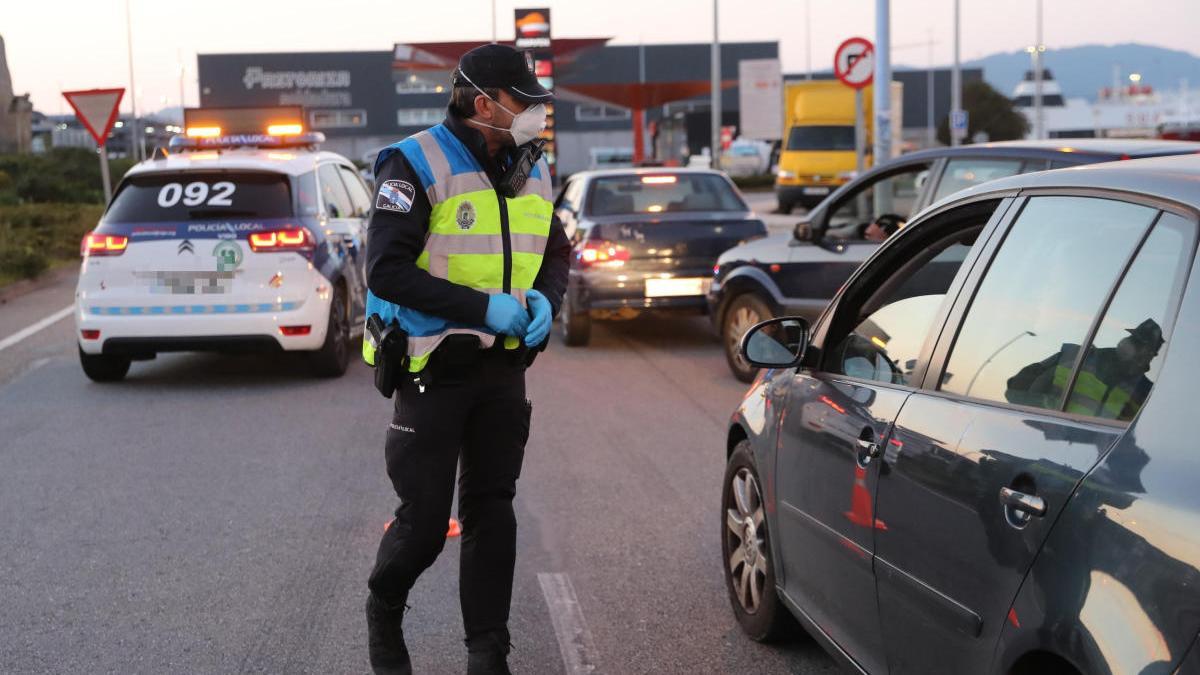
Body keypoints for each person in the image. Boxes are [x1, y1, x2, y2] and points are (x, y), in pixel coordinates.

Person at [362, 43, 570, 675]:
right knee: (425, 526)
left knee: (491, 509)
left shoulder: (532, 167)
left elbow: (556, 251)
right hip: (434, 369)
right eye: (522, 101)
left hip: (503, 370)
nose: (534, 113)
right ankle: (384, 604)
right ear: (484, 103)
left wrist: (544, 303)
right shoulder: (415, 163)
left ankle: (488, 653)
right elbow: (386, 270)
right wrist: (484, 310)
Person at [1005, 319, 1164, 421]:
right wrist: (1045, 409)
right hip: (1044, 444)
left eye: (1151, 352)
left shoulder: (1145, 392)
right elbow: (1015, 391)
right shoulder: (1078, 357)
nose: (1144, 355)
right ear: (1127, 342)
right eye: (1137, 343)